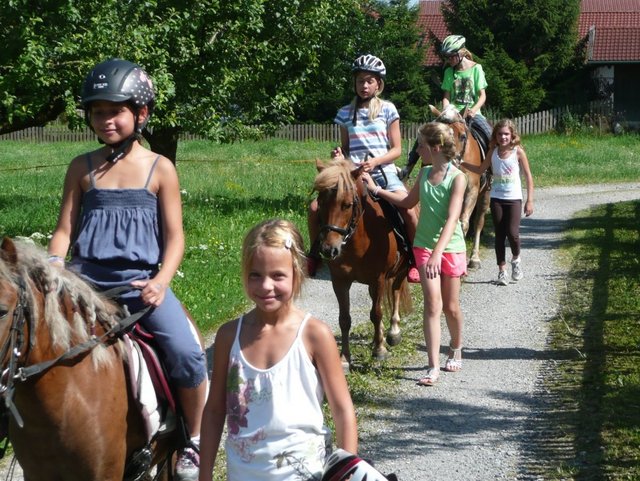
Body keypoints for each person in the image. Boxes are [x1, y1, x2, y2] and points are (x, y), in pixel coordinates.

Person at [47, 58, 208, 481]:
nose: (105, 120)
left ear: (141, 114)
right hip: (84, 284)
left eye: (114, 111)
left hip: (139, 286)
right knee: (27, 341)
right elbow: (64, 230)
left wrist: (161, 282)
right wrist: (53, 268)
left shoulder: (160, 169)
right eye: (97, 112)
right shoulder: (81, 168)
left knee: (189, 353)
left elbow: (176, 239)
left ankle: (193, 440)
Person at [199, 219, 358, 480]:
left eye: (277, 276)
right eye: (255, 275)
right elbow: (215, 410)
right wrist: (204, 475)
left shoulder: (314, 335)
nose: (265, 286)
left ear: (298, 272)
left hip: (304, 473)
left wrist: (348, 473)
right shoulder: (229, 336)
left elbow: (342, 410)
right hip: (244, 473)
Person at [362, 122, 467, 387]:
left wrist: (437, 253)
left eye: (420, 146)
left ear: (435, 148)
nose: (417, 151)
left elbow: (453, 219)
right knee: (433, 305)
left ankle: (456, 347)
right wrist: (376, 190)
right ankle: (433, 366)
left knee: (451, 307)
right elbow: (408, 202)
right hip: (423, 246)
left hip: (450, 248)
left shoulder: (458, 178)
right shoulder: (424, 173)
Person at [307, 54, 420, 283]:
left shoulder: (388, 109)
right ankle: (315, 252)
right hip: (352, 173)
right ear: (354, 83)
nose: (364, 86)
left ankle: (415, 257)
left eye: (369, 81)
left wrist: (376, 162)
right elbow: (347, 148)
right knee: (314, 207)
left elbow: (397, 149)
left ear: (379, 83)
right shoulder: (345, 113)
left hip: (383, 170)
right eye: (360, 81)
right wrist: (339, 155)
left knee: (407, 209)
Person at [401, 34, 492, 180]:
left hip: (472, 113)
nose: (448, 60)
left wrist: (473, 110)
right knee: (426, 132)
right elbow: (446, 97)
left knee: (490, 134)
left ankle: (491, 172)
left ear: (461, 53)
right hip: (452, 113)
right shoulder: (449, 71)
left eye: (451, 56)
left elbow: (483, 96)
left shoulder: (476, 69)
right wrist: (446, 109)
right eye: (447, 57)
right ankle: (408, 168)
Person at [459, 119, 534, 285]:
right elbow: (480, 170)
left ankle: (516, 260)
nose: (503, 137)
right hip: (497, 198)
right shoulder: (492, 152)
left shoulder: (518, 152)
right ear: (496, 136)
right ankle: (502, 270)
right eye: (500, 134)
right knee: (499, 235)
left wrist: (530, 200)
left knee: (513, 233)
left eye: (506, 134)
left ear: (512, 135)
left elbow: (528, 176)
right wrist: (462, 163)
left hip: (514, 198)